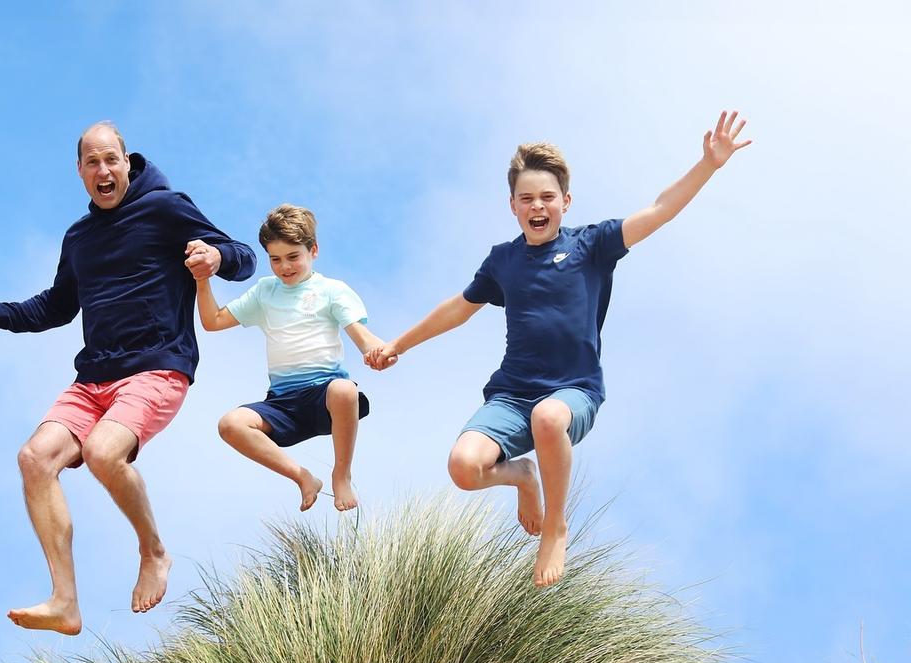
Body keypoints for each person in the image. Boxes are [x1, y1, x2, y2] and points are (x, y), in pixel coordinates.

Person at [366, 111, 752, 587]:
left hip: (574, 391)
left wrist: (708, 165)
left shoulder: (593, 245)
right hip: (511, 395)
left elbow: (660, 209)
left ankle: (556, 526)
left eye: (547, 197)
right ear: (512, 205)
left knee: (548, 417)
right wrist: (398, 344)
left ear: (565, 202)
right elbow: (458, 309)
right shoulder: (503, 260)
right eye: (526, 198)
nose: (537, 205)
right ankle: (524, 477)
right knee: (464, 468)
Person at [0, 121, 256, 633]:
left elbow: (244, 260)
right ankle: (65, 602)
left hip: (158, 365)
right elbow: (55, 307)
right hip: (94, 377)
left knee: (102, 451)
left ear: (127, 160)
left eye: (111, 160)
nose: (103, 170)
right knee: (34, 459)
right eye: (92, 163)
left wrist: (215, 256)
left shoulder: (165, 208)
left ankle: (153, 551)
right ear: (79, 172)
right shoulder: (79, 238)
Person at [196, 203, 383, 512]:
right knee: (230, 424)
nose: (284, 267)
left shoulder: (332, 290)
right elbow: (213, 321)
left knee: (344, 389)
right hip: (283, 403)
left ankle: (341, 475)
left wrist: (374, 350)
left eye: (293, 257)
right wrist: (202, 280)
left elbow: (361, 336)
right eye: (275, 259)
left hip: (325, 398)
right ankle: (302, 477)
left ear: (314, 250)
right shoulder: (265, 292)